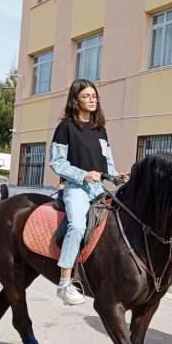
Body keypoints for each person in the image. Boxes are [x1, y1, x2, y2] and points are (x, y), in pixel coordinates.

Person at [49, 79, 125, 306]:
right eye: (86, 96)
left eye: (94, 96)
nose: (92, 100)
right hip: (76, 188)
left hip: (99, 189)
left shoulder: (100, 129)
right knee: (77, 226)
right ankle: (64, 283)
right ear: (76, 100)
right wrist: (83, 174)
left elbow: (107, 164)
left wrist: (116, 176)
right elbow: (57, 162)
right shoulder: (66, 128)